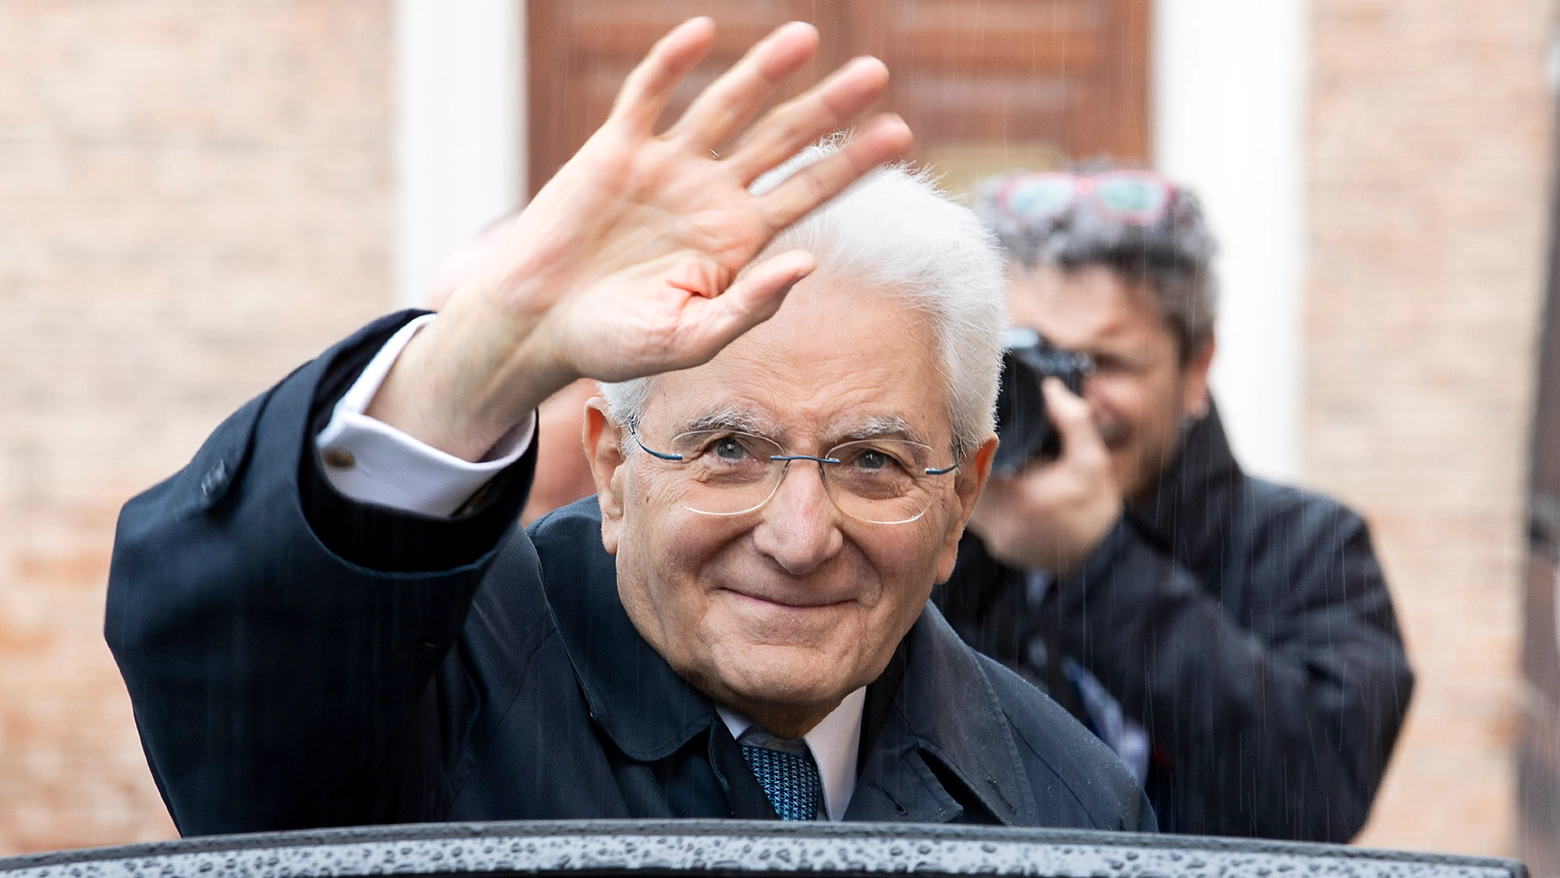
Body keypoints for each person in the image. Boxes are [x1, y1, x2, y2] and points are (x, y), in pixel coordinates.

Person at [105, 20, 1154, 836]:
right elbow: (228, 675)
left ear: (961, 497)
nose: (799, 537)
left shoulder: (1068, 803)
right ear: (612, 467)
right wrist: (472, 365)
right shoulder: (436, 683)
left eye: (870, 461)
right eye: (729, 449)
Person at [932, 169, 1413, 841]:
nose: (1063, 401)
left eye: (1105, 363)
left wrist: (1098, 563)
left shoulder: (1313, 546)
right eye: (1027, 358)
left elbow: (1320, 796)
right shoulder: (934, 536)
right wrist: (949, 529)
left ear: (1197, 367)